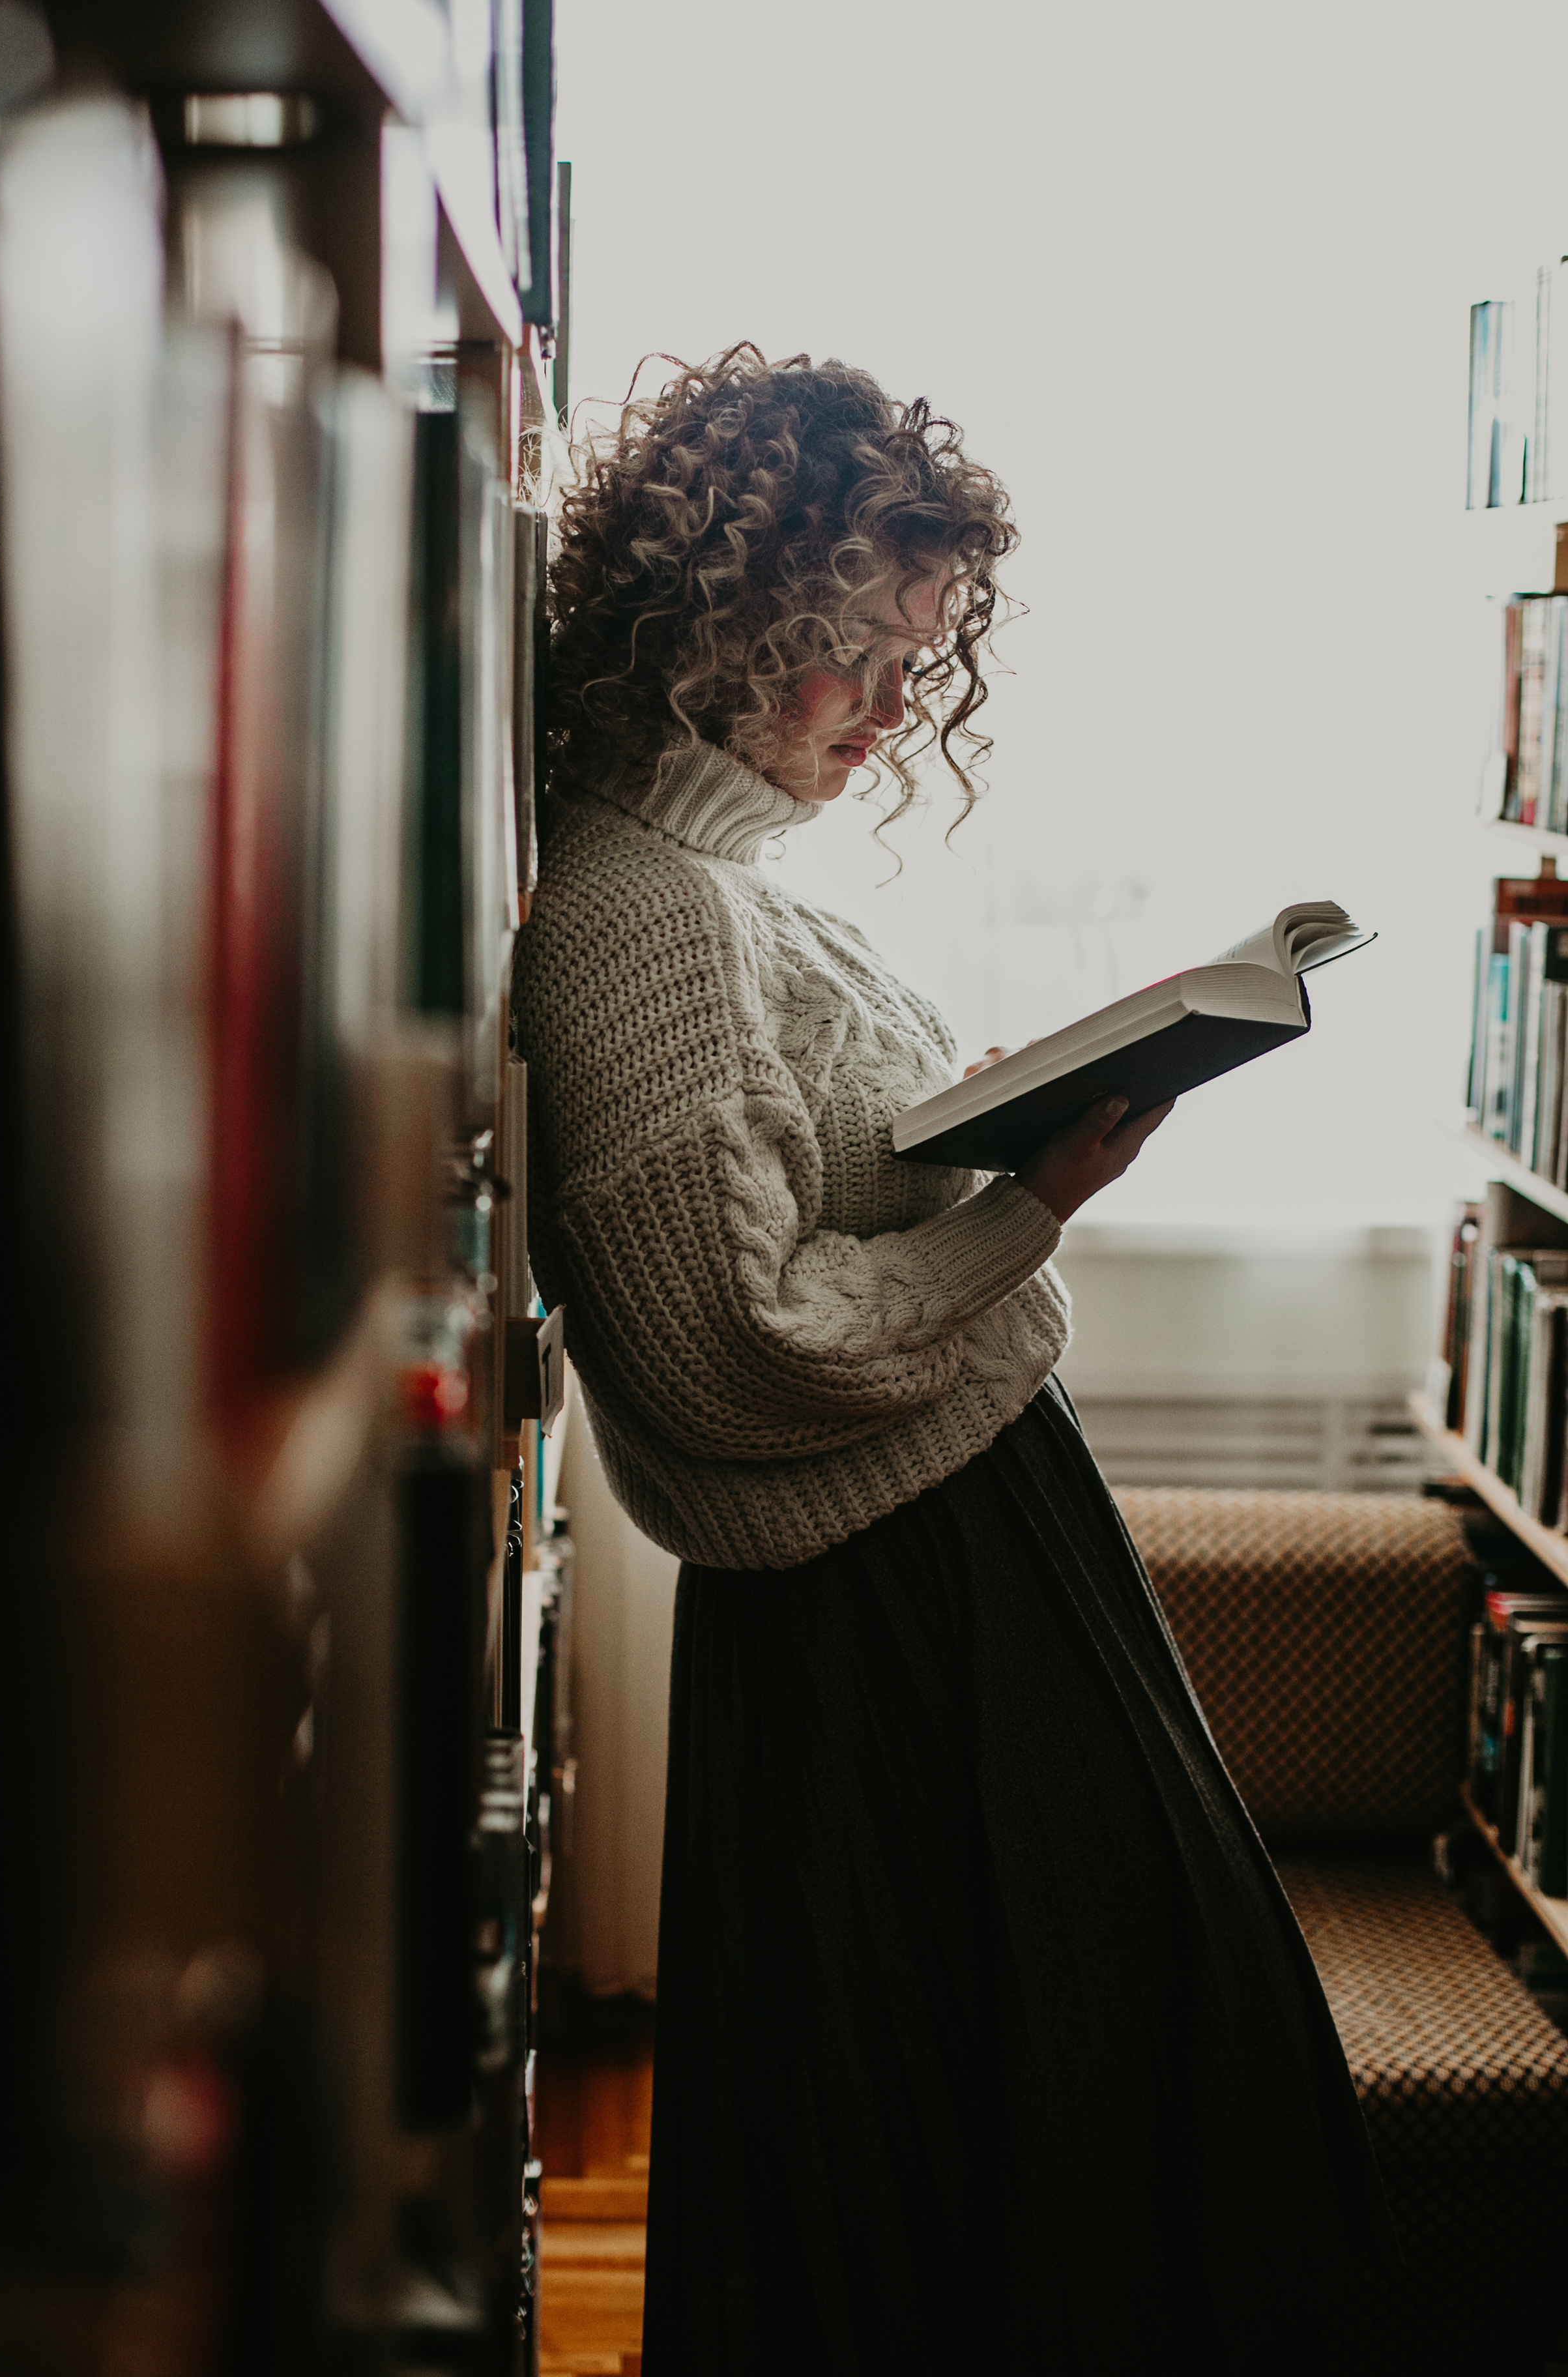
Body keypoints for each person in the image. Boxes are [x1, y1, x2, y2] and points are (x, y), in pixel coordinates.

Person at [511, 347, 1388, 2374]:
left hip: (953, 1544)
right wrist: (1027, 1208)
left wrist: (972, 1134)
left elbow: (791, 1192)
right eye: (868, 655)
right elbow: (725, 1349)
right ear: (733, 623)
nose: (898, 708)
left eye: (922, 661)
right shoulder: (645, 917)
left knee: (1067, 2097)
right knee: (1056, 2109)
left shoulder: (715, 883)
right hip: (900, 1594)